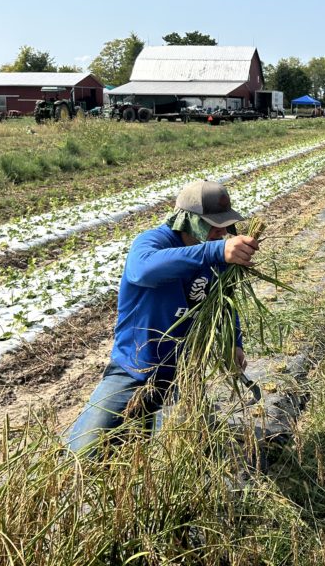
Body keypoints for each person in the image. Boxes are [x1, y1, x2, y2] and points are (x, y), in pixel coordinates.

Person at [67, 180, 259, 454]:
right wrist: (214, 251)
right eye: (212, 223)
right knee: (81, 453)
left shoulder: (217, 251)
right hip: (135, 369)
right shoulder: (152, 242)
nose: (222, 231)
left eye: (225, 224)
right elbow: (143, 271)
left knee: (193, 451)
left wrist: (233, 341)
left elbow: (223, 300)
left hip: (183, 373)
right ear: (186, 219)